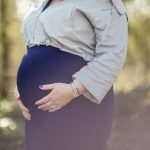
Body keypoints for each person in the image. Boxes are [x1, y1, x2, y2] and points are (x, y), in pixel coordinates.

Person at [15, 0, 128, 149]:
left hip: (78, 105)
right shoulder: (40, 5)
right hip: (36, 116)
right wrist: (20, 92)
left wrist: (73, 89)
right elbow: (32, 49)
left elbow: (112, 54)